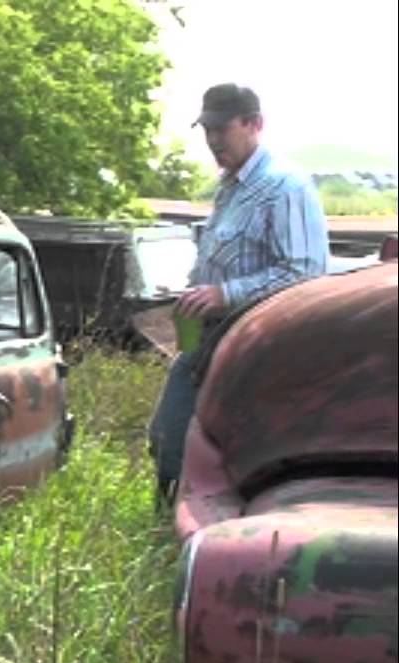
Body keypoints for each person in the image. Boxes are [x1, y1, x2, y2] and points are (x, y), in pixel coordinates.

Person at [149, 83, 328, 503]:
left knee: (210, 447)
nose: (212, 141)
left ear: (254, 124)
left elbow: (305, 272)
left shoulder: (285, 187)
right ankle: (170, 534)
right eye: (206, 130)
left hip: (260, 345)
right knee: (169, 438)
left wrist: (225, 294)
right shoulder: (230, 186)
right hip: (211, 338)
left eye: (221, 129)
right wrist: (194, 293)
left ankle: (203, 540)